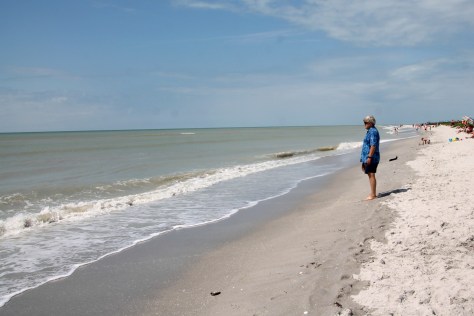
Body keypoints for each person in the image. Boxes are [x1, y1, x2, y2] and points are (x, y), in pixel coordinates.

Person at [360, 115, 380, 200]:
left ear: (371, 123)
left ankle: (373, 194)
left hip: (372, 157)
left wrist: (369, 157)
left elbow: (373, 145)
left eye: (366, 122)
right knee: (369, 174)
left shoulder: (372, 131)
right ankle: (373, 193)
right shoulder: (370, 131)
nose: (364, 124)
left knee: (371, 174)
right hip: (368, 157)